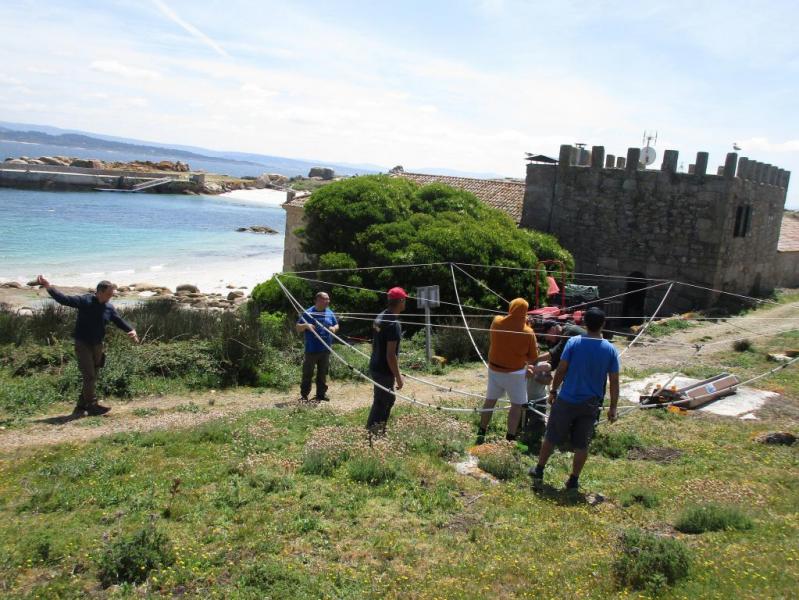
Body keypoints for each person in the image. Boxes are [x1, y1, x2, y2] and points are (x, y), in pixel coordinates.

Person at [530, 307, 619, 491]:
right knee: (581, 443)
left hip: (567, 398)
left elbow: (561, 369)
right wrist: (613, 407)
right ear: (603, 324)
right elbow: (614, 381)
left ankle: (539, 469)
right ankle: (573, 480)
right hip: (591, 403)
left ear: (584, 323)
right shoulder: (610, 350)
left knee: (551, 436)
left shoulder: (574, 342)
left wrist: (553, 390)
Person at [36, 276, 139, 416]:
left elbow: (118, 320)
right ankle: (91, 405)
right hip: (83, 344)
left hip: (98, 345)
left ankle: (81, 405)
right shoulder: (85, 301)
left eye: (112, 294)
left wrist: (131, 330)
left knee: (93, 375)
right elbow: (64, 299)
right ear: (100, 292)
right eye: (109, 294)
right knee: (89, 375)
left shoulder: (109, 307)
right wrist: (48, 286)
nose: (111, 296)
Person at [477, 298, 539, 443]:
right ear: (525, 312)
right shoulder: (528, 332)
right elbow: (533, 358)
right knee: (516, 405)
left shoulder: (496, 322)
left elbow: (503, 322)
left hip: (494, 370)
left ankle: (481, 430)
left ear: (511, 308)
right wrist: (526, 325)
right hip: (515, 373)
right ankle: (510, 437)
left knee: (490, 401)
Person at [366, 287, 407, 432]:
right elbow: (390, 355)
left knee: (386, 399)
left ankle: (378, 428)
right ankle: (373, 431)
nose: (405, 302)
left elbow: (377, 342)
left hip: (375, 364)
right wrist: (399, 377)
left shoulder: (380, 317)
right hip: (384, 369)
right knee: (383, 401)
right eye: (404, 300)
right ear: (400, 301)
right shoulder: (393, 324)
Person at [296, 291, 339, 402]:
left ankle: (321, 395)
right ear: (317, 300)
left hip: (325, 349)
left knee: (323, 373)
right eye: (325, 299)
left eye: (328, 299)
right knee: (308, 374)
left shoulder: (329, 312)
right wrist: (306, 325)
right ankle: (304, 395)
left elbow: (336, 324)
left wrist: (334, 328)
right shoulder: (308, 313)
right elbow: (298, 327)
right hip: (311, 349)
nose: (328, 301)